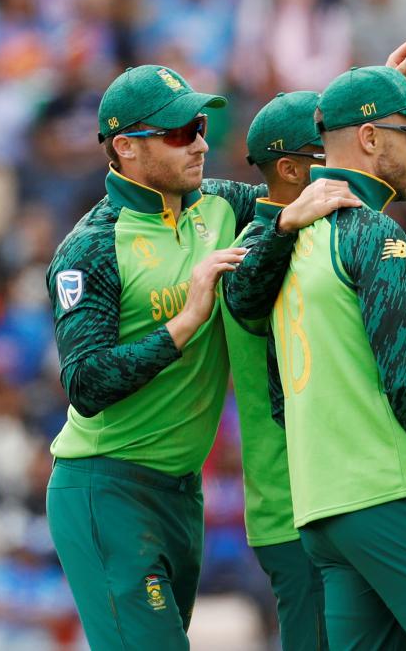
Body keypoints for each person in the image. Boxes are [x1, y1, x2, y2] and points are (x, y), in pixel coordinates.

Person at [43, 64, 338, 649]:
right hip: (108, 488)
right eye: (179, 133)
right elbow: (85, 382)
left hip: (182, 493)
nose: (202, 142)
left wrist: (375, 104)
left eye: (200, 125)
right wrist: (184, 323)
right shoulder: (92, 246)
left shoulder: (222, 206)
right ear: (124, 147)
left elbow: (304, 178)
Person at [232, 65, 406, 650]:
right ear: (369, 138)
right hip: (394, 495)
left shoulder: (287, 235)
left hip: (323, 507)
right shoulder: (370, 232)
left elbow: (268, 349)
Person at [225, 90, 359, 651]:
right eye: (327, 147)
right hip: (294, 509)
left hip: (336, 500)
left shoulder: (317, 229)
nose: (348, 158)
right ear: (290, 168)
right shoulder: (255, 251)